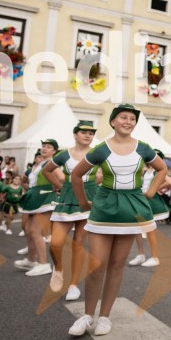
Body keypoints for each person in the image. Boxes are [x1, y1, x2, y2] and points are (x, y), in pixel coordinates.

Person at [67, 104, 167, 337]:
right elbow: (76, 174)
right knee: (96, 265)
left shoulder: (143, 148)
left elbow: (161, 169)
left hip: (130, 208)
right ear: (113, 121)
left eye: (132, 118)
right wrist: (83, 203)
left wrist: (150, 192)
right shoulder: (101, 149)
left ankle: (104, 317)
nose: (128, 121)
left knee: (116, 265)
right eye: (123, 117)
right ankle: (87, 316)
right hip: (104, 207)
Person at [43, 121, 97, 300]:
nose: (88, 135)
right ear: (75, 134)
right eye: (84, 132)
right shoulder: (64, 154)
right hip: (66, 199)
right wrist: (61, 185)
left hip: (89, 200)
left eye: (91, 132)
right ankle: (58, 268)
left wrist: (91, 187)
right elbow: (47, 171)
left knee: (79, 243)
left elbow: (106, 174)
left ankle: (73, 284)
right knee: (55, 243)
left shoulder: (97, 154)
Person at [15, 139, 60, 277]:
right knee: (28, 230)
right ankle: (31, 260)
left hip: (46, 198)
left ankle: (43, 264)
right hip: (36, 197)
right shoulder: (38, 164)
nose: (45, 149)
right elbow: (29, 182)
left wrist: (57, 187)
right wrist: (30, 191)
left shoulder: (51, 163)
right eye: (43, 146)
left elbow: (62, 177)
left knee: (35, 231)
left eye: (48, 147)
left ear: (54, 151)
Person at [127, 152, 171, 268]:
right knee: (137, 227)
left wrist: (154, 189)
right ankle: (141, 254)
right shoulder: (146, 171)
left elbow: (169, 182)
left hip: (152, 202)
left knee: (149, 228)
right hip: (142, 200)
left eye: (157, 156)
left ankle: (154, 257)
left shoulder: (158, 171)